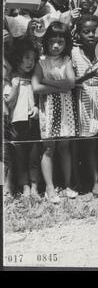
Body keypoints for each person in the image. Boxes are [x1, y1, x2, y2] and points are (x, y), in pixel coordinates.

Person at [32, 21, 79, 203]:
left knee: (65, 147)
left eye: (61, 41)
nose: (56, 45)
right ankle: (50, 189)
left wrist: (48, 82)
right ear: (46, 42)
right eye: (52, 41)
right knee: (49, 148)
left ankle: (67, 185)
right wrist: (61, 85)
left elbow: (71, 83)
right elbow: (36, 88)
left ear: (66, 42)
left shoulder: (66, 61)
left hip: (65, 108)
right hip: (49, 109)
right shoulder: (41, 62)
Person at [72, 15, 98, 197]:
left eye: (94, 31)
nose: (90, 35)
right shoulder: (73, 53)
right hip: (84, 99)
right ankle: (95, 180)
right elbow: (70, 79)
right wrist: (84, 79)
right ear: (78, 34)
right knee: (89, 143)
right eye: (85, 31)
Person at [4, 38, 41, 198]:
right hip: (17, 124)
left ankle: (34, 187)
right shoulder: (11, 79)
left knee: (34, 156)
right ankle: (24, 186)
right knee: (20, 157)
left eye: (33, 59)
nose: (30, 63)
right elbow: (9, 103)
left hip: (32, 123)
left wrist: (36, 108)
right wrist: (15, 86)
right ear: (18, 58)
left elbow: (38, 98)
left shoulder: (34, 78)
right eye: (26, 58)